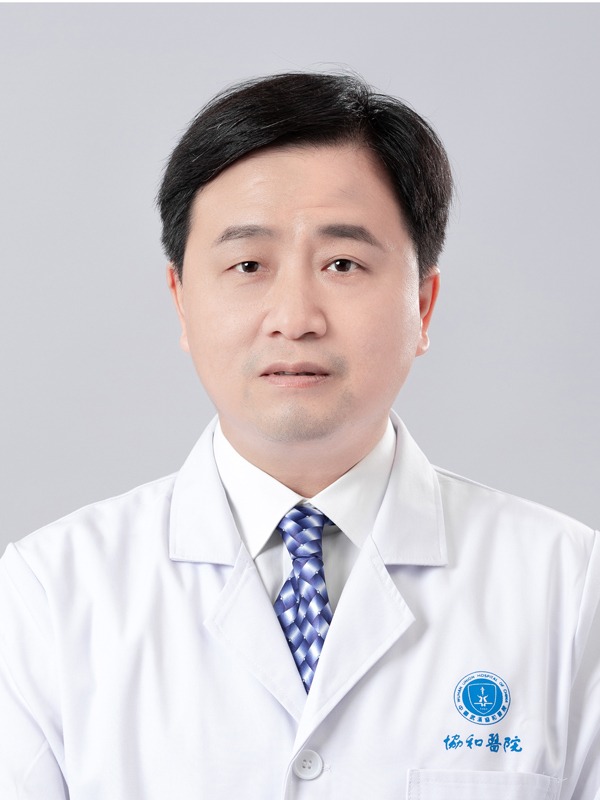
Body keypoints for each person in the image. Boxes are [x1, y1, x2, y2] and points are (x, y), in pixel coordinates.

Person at [0, 72, 598, 800]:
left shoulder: (570, 589)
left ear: (423, 304)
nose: (294, 317)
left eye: (342, 264)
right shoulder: (48, 596)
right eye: (248, 265)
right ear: (181, 302)